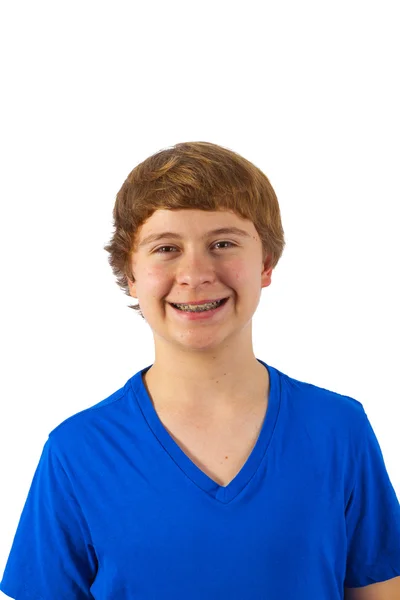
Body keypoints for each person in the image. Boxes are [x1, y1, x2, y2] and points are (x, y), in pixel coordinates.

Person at [1, 141, 399, 599]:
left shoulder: (338, 430)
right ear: (130, 273)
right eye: (166, 247)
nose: (195, 273)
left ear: (266, 263)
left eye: (223, 243)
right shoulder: (77, 452)